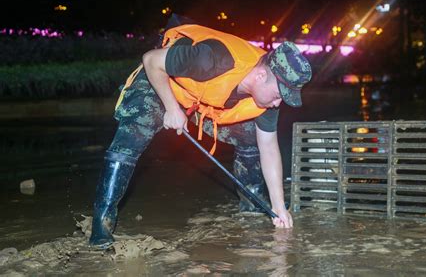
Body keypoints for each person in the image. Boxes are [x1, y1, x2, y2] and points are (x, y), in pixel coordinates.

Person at [89, 22, 312, 248]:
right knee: (134, 132)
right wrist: (171, 108)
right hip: (162, 80)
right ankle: (102, 225)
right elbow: (151, 60)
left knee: (251, 135)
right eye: (278, 95)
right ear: (261, 75)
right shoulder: (213, 59)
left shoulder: (268, 97)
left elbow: (269, 148)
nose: (278, 103)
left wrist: (278, 206)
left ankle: (252, 207)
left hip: (202, 101)